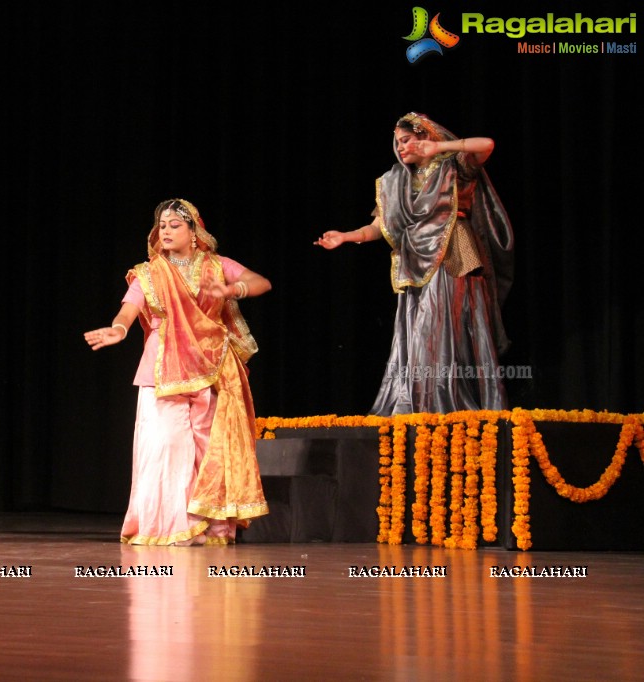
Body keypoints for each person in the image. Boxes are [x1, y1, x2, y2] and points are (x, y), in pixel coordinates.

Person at [85, 199, 270, 545]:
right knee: (164, 446)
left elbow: (260, 282)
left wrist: (233, 289)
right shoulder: (149, 272)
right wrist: (119, 330)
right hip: (162, 365)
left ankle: (208, 527)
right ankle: (168, 526)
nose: (165, 231)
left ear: (194, 232)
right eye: (162, 226)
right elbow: (129, 310)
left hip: (211, 364)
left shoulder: (217, 266)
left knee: (208, 447)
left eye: (174, 225)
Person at [316, 113, 514, 415]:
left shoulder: (454, 165)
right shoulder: (396, 181)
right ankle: (420, 402)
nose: (401, 148)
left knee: (450, 329)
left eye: (406, 140)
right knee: (419, 332)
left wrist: (439, 149)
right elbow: (379, 226)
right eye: (398, 143)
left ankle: (454, 401)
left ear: (426, 136)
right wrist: (345, 236)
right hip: (414, 261)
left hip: (453, 256)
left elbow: (486, 145)